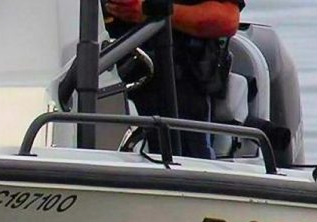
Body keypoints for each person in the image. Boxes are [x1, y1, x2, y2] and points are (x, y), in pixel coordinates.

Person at [105, 0, 246, 159]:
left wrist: (152, 10)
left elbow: (227, 20)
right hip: (96, 88)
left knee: (189, 165)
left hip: (178, 96)